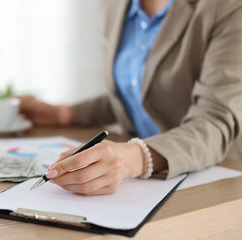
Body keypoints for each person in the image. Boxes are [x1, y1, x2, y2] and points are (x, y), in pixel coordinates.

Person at [20, 0, 242, 196]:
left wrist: (136, 157)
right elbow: (138, 93)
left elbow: (216, 119)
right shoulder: (114, 5)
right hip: (142, 186)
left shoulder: (228, 7)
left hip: (215, 178)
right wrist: (67, 114)